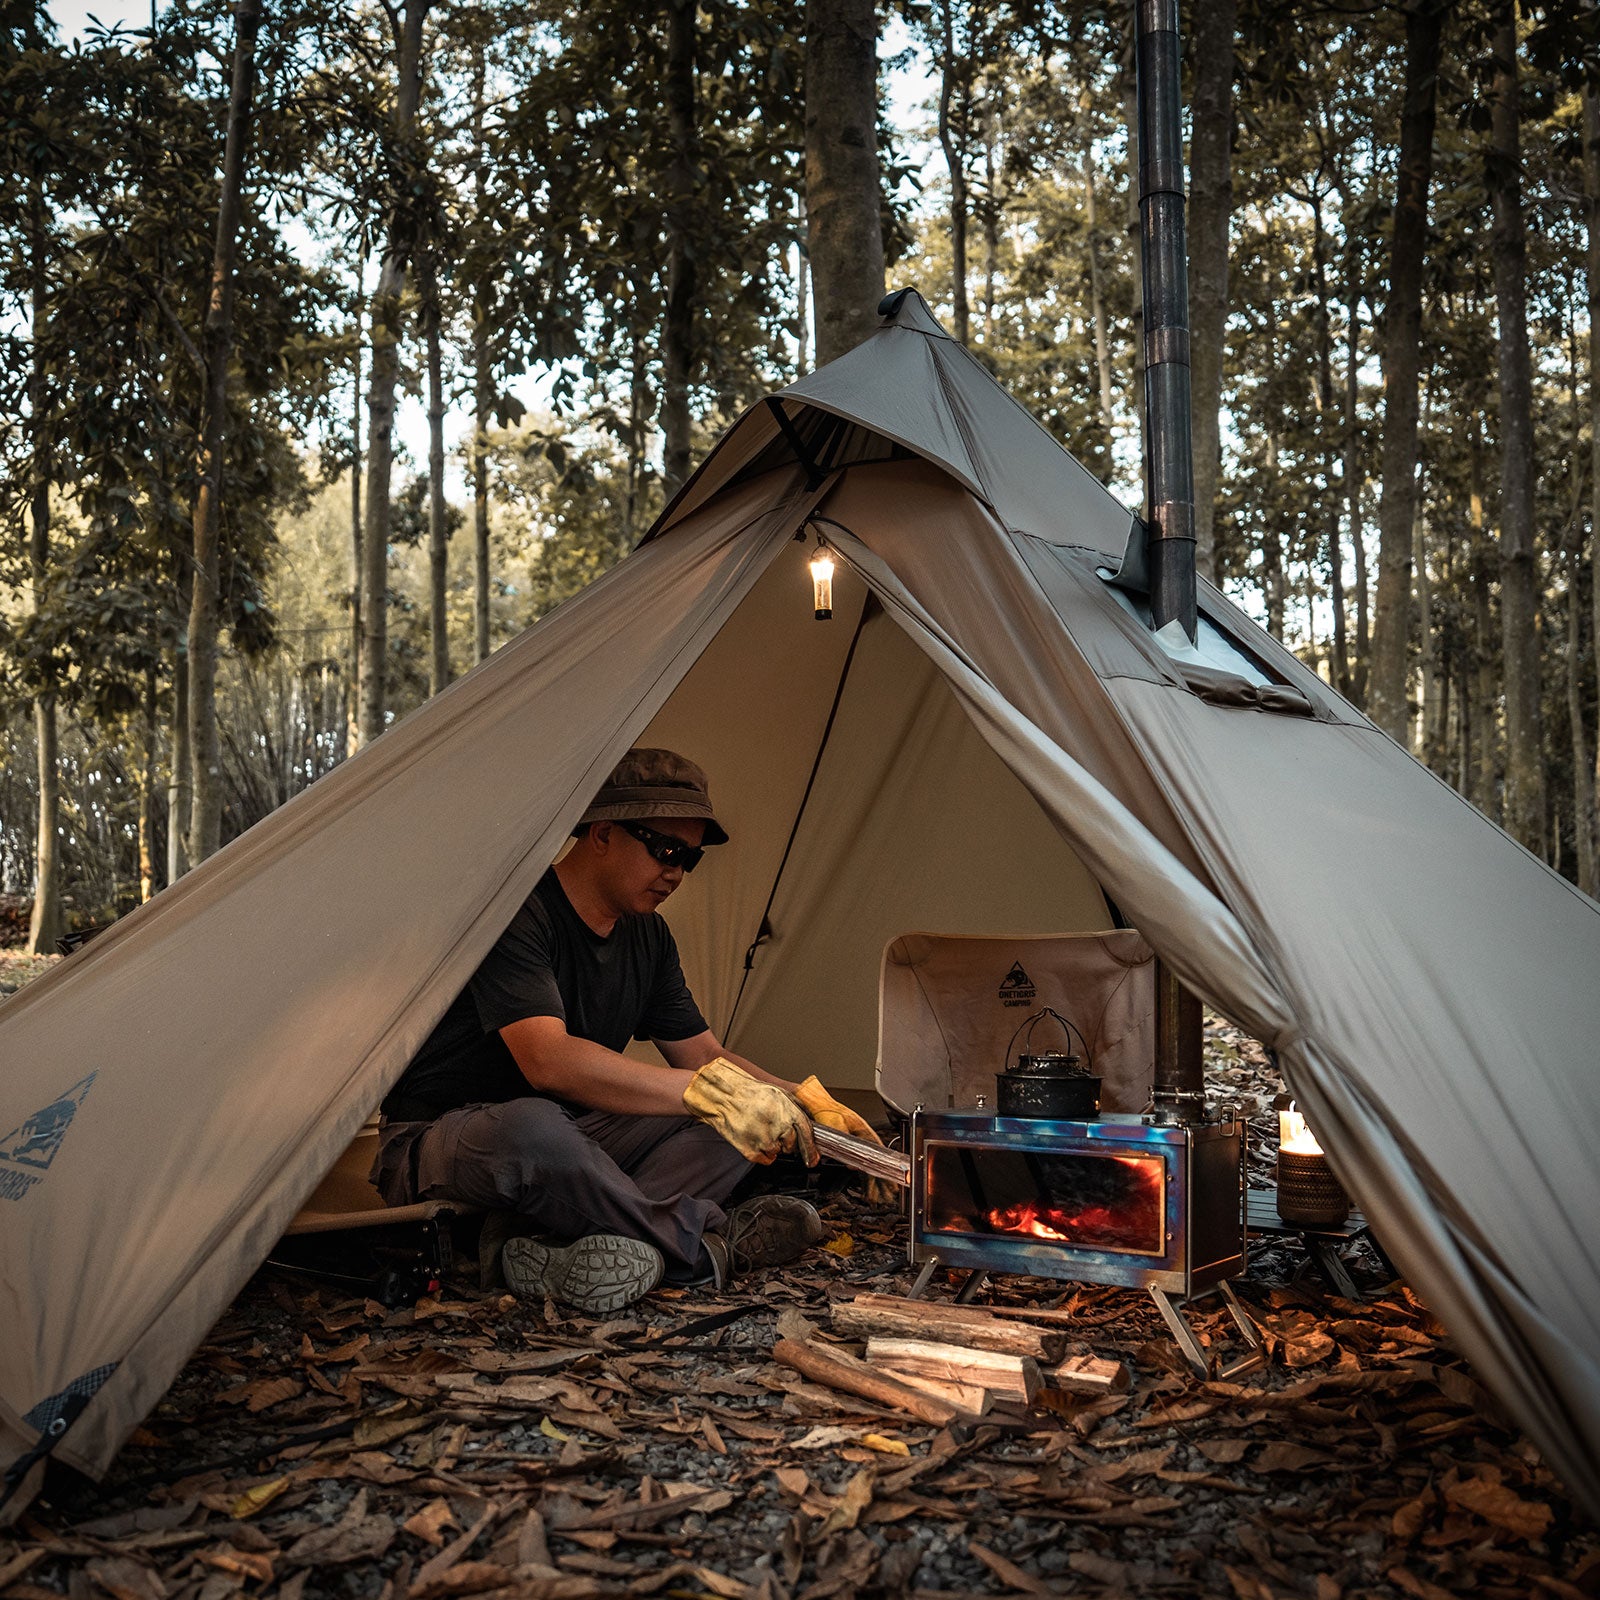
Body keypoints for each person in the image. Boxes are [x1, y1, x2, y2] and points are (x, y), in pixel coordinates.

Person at [372, 747, 885, 1314]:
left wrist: (801, 1101)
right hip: (451, 1138)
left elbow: (704, 1055)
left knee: (739, 1130)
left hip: (577, 1140)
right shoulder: (514, 913)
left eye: (690, 859)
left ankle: (545, 1249)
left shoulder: (650, 937)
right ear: (602, 832)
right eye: (665, 849)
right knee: (533, 1127)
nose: (675, 872)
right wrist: (707, 1095)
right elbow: (548, 1061)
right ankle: (703, 1248)